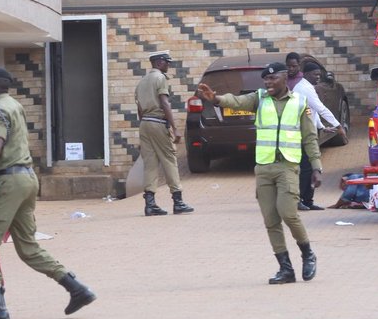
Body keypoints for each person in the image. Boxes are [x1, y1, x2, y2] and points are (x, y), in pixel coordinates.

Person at [0, 67, 96, 319]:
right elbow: (2, 137)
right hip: (26, 178)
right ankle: (76, 288)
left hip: (8, 182)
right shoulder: (13, 105)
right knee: (28, 247)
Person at [196, 61, 321, 284]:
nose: (268, 82)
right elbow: (236, 101)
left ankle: (307, 253)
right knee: (271, 220)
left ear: (284, 78)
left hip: (287, 166)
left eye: (273, 79)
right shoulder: (259, 98)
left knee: (288, 213)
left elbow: (310, 137)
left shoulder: (300, 102)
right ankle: (286, 268)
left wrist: (316, 166)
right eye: (266, 79)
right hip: (264, 167)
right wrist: (215, 99)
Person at [135, 50, 193, 216]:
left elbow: (139, 109)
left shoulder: (142, 82)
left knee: (150, 163)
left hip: (144, 124)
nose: (168, 65)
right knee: (169, 159)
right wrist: (174, 128)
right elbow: (165, 103)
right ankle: (178, 201)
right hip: (158, 122)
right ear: (159, 62)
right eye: (167, 62)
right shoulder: (160, 78)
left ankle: (150, 204)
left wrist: (145, 126)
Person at [294, 56, 344, 210]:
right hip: (304, 133)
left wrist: (322, 127)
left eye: (319, 75)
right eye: (315, 75)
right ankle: (301, 199)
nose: (318, 77)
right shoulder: (304, 88)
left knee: (310, 168)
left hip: (311, 129)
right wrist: (338, 126)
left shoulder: (308, 87)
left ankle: (308, 201)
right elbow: (320, 108)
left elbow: (312, 112)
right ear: (306, 74)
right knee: (307, 168)